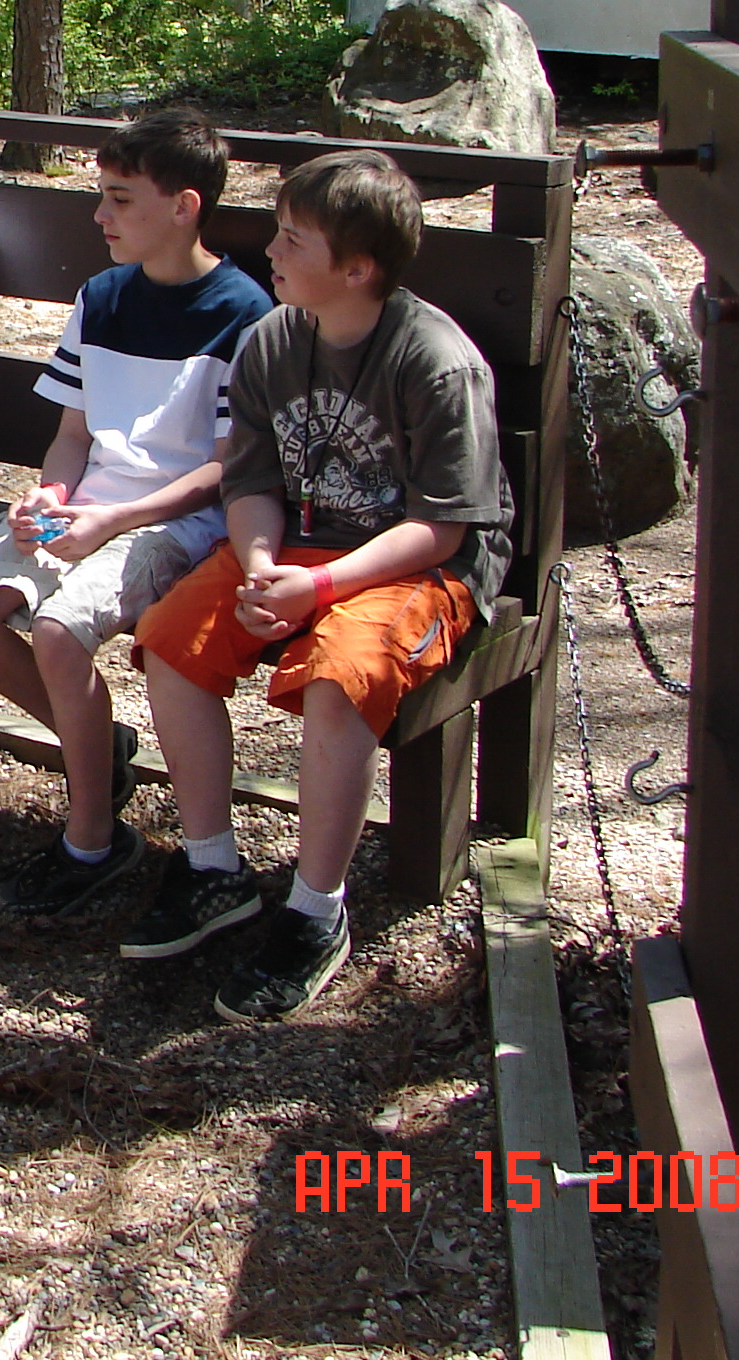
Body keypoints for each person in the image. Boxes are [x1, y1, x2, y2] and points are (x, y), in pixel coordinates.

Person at [123, 148, 513, 1022]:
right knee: (172, 641)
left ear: (358, 269)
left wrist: (322, 587)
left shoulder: (434, 361)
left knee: (341, 676)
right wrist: (261, 564)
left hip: (417, 567)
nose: (271, 250)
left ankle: (315, 912)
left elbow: (443, 527)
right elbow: (251, 482)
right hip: (298, 548)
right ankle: (213, 868)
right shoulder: (273, 340)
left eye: (293, 240)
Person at [0, 109, 272, 918]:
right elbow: (73, 437)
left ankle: (91, 839)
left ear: (183, 207)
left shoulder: (244, 313)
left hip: (176, 526)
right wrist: (49, 497)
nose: (98, 216)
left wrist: (113, 522)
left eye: (119, 199)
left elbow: (225, 472)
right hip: (89, 508)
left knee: (57, 630)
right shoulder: (103, 295)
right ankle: (98, 747)